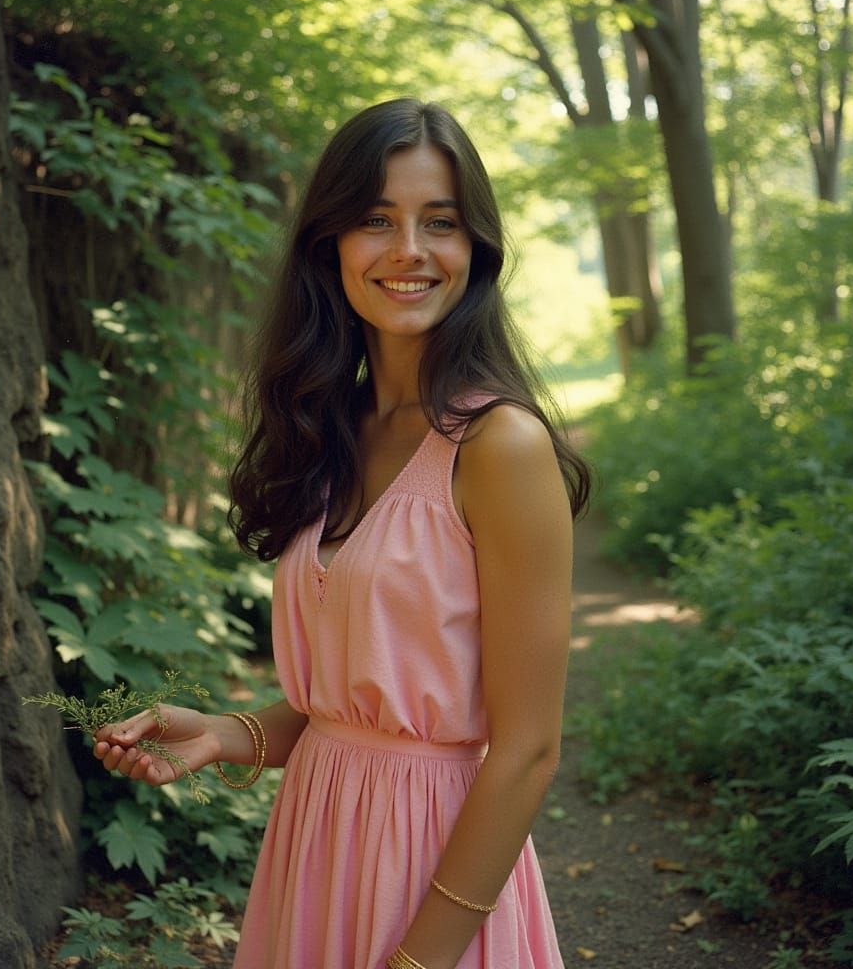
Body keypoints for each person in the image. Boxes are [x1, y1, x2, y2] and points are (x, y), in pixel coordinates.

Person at [92, 98, 591, 969]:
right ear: (330, 246)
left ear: (474, 250)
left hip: (437, 880)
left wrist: (419, 959)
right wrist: (220, 733)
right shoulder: (338, 428)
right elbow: (354, 706)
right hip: (316, 854)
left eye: (439, 222)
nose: (409, 250)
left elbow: (526, 750)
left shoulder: (499, 445)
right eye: (375, 220)